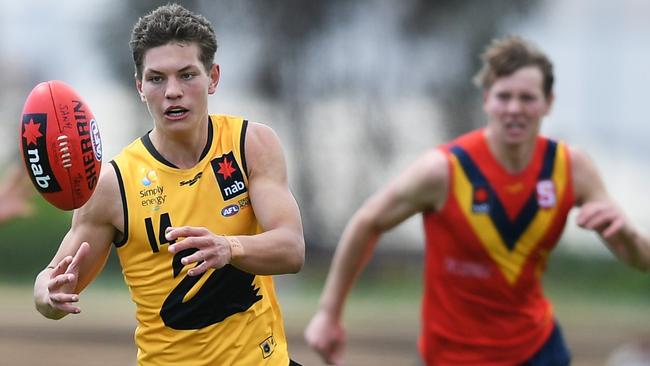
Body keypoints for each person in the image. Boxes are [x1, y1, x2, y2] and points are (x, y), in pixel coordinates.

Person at [304, 35, 650, 365]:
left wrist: (628, 236)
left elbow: (639, 258)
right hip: (450, 357)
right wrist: (328, 313)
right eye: (504, 96)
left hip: (537, 350)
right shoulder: (444, 170)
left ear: (548, 103)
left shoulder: (570, 168)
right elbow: (368, 222)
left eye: (527, 98)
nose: (515, 108)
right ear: (486, 99)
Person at [33, 4, 305, 366]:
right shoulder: (114, 184)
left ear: (213, 77)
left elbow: (292, 249)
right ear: (139, 87)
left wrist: (229, 247)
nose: (172, 91)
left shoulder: (250, 145)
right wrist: (46, 295)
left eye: (187, 75)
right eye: (157, 78)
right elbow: (56, 288)